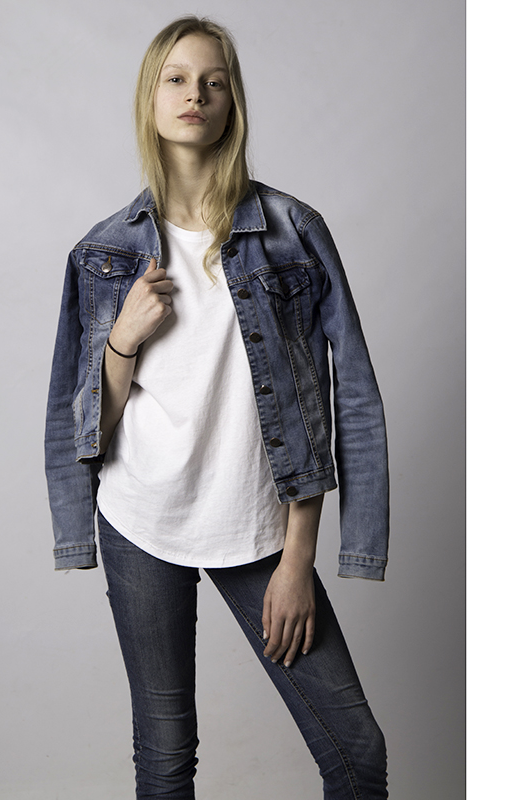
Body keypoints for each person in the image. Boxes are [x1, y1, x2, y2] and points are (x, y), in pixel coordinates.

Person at [45, 15, 390, 800]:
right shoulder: (103, 252)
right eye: (175, 79)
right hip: (141, 520)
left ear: (232, 102)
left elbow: (352, 393)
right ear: (151, 97)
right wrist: (123, 341)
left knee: (355, 753)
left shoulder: (294, 231)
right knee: (166, 761)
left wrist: (300, 556)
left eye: (213, 81)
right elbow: (80, 425)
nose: (194, 94)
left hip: (262, 526)